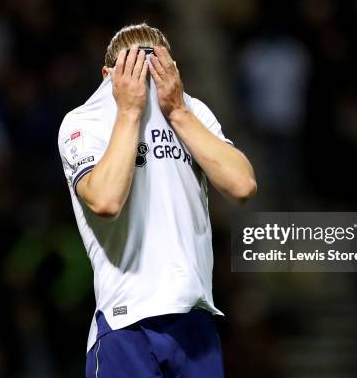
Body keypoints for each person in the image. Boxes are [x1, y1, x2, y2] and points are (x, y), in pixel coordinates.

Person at [58, 23, 256, 377]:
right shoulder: (84, 121)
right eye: (131, 66)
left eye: (153, 65)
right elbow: (105, 200)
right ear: (108, 74)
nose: (143, 77)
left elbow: (241, 185)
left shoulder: (192, 112)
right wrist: (130, 112)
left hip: (195, 317)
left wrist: (178, 111)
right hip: (126, 321)